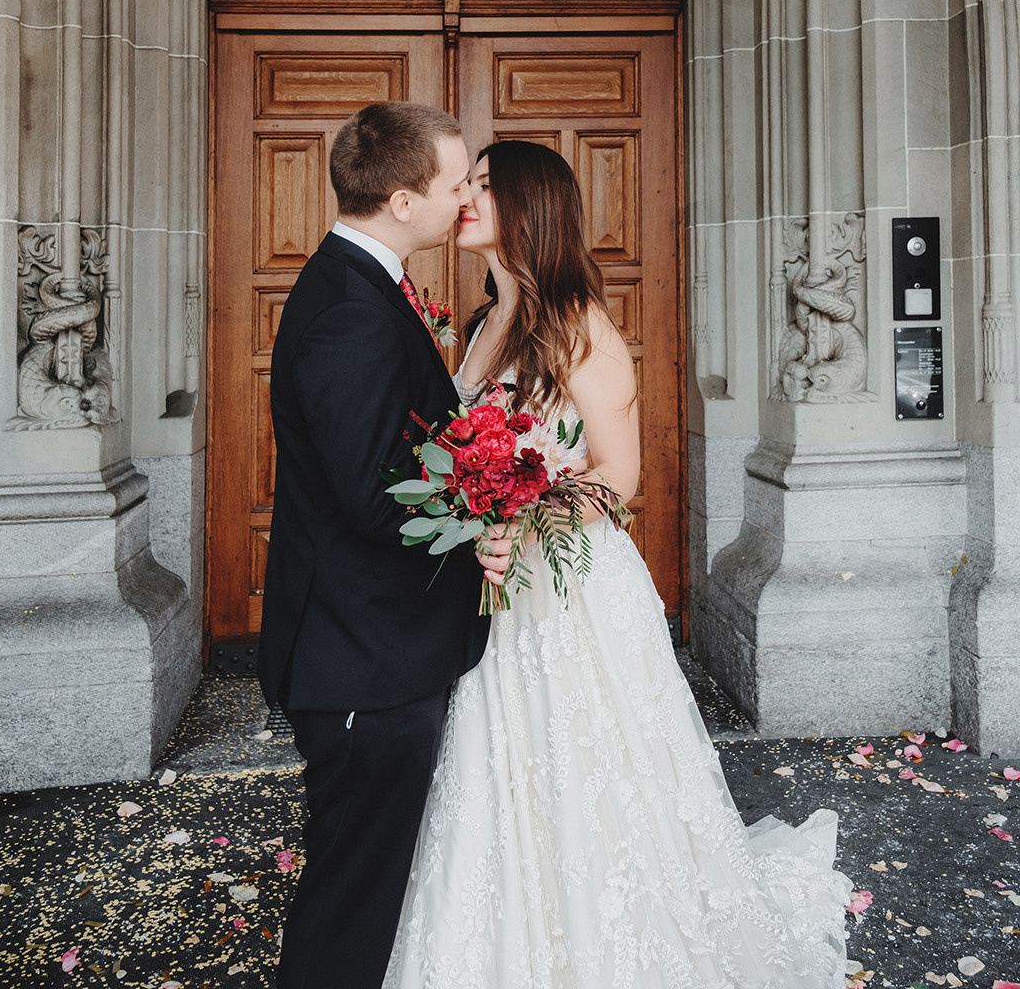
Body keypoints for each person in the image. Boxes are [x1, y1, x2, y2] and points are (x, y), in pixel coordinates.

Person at [383, 140, 852, 989]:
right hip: (495, 587)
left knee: (588, 769)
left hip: (569, 591)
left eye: (485, 185)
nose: (466, 197)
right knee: (503, 767)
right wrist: (471, 510)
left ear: (532, 207)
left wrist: (522, 521)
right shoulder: (483, 326)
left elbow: (619, 474)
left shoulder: (580, 326)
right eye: (468, 182)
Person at [258, 102, 513, 989]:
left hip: (373, 646)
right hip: (362, 658)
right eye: (455, 184)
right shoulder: (351, 311)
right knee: (351, 901)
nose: (465, 199)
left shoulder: (363, 284)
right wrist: (490, 504)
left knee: (363, 884)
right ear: (403, 202)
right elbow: (376, 496)